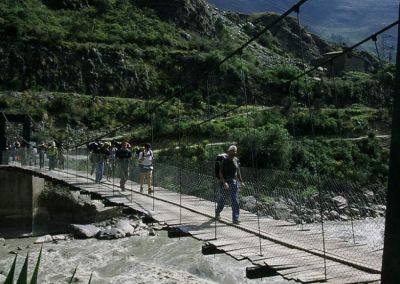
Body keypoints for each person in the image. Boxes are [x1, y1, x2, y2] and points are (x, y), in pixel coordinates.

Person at [216, 145, 243, 224]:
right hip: (225, 183)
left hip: (234, 183)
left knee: (235, 201)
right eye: (233, 151)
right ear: (229, 152)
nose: (234, 152)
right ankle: (217, 212)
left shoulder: (236, 160)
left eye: (235, 151)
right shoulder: (224, 161)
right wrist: (224, 183)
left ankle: (235, 219)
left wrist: (241, 181)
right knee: (222, 200)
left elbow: (238, 171)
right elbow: (220, 172)